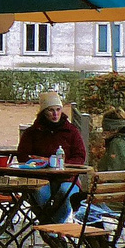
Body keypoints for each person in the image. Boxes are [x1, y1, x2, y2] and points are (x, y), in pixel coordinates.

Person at [17, 92, 88, 222]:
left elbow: (80, 157)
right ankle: (52, 229)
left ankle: (51, 229)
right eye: (51, 110)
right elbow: (22, 156)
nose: (55, 114)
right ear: (44, 112)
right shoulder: (32, 132)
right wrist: (39, 161)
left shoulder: (71, 131)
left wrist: (54, 162)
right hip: (40, 177)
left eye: (58, 109)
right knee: (39, 194)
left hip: (67, 177)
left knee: (65, 194)